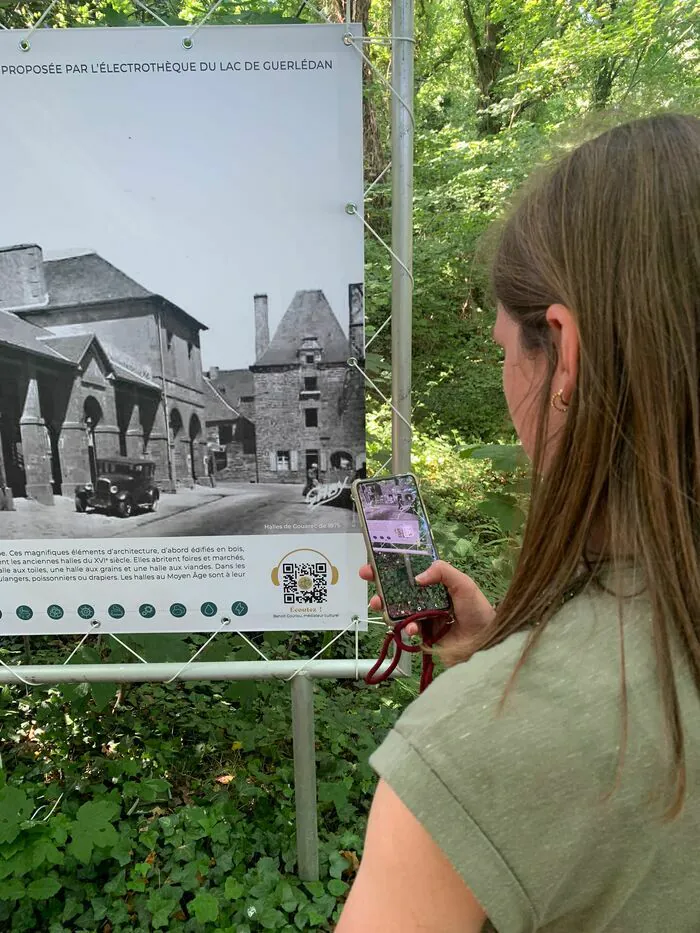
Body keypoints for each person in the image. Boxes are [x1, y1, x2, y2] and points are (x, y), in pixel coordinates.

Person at [336, 114, 700, 933]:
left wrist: (513, 696)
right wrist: (507, 650)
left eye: (507, 347)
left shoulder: (470, 753)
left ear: (561, 353)